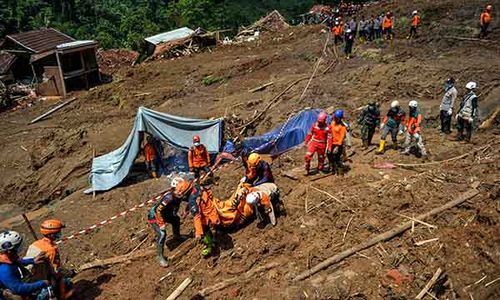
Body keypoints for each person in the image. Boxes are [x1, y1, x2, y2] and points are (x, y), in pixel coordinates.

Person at [25, 219, 73, 299]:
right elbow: (55, 270)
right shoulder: (50, 250)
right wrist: (68, 273)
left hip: (29, 280)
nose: (60, 234)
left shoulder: (36, 244)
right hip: (42, 282)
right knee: (67, 283)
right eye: (58, 232)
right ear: (51, 235)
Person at [147, 178, 190, 267]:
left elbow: (189, 199)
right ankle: (160, 256)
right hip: (155, 216)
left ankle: (177, 236)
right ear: (174, 189)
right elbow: (158, 211)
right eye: (178, 190)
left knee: (176, 220)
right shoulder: (168, 198)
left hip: (167, 214)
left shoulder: (180, 195)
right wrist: (161, 224)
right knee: (162, 234)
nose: (181, 193)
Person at [0, 231, 52, 300]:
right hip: (15, 291)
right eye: (18, 247)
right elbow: (19, 289)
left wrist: (32, 260)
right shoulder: (5, 269)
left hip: (18, 283)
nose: (19, 249)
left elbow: (17, 261)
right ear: (9, 251)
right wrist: (42, 283)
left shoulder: (6, 257)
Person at [328, 110, 347, 175]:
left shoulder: (342, 127)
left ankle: (340, 172)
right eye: (335, 117)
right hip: (331, 143)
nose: (335, 119)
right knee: (329, 155)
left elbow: (341, 138)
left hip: (338, 144)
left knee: (337, 158)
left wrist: (337, 147)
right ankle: (332, 168)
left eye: (337, 118)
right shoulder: (332, 122)